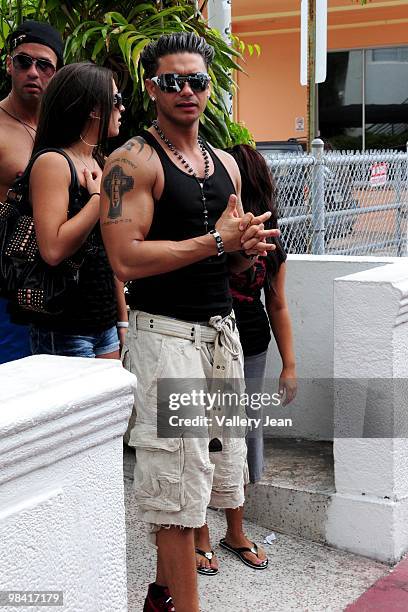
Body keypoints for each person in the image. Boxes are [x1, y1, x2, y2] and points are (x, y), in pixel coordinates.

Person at [100, 32, 279, 612]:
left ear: (209, 89)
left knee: (207, 477)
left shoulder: (224, 161)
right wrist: (215, 242)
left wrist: (243, 249)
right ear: (151, 87)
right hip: (166, 339)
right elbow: (126, 259)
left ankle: (160, 596)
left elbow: (222, 252)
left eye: (197, 80)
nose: (186, 91)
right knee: (175, 490)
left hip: (219, 337)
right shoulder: (129, 162)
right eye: (172, 80)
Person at [195, 144, 297, 575]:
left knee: (239, 435)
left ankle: (234, 531)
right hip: (203, 335)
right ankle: (200, 534)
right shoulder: (212, 228)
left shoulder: (270, 238)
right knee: (198, 434)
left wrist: (289, 364)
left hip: (251, 344)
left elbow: (278, 302)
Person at [18, 61, 127, 358]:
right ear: (93, 108)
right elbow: (52, 249)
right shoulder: (52, 162)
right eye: (115, 100)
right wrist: (96, 200)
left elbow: (112, 250)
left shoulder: (102, 163)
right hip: (63, 326)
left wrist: (122, 318)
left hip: (103, 321)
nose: (122, 108)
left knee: (114, 406)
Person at [0, 20, 64, 363]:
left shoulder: (64, 130)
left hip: (59, 284)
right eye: (24, 62)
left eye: (44, 65)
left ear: (57, 73)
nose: (33, 72)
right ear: (9, 64)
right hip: (7, 286)